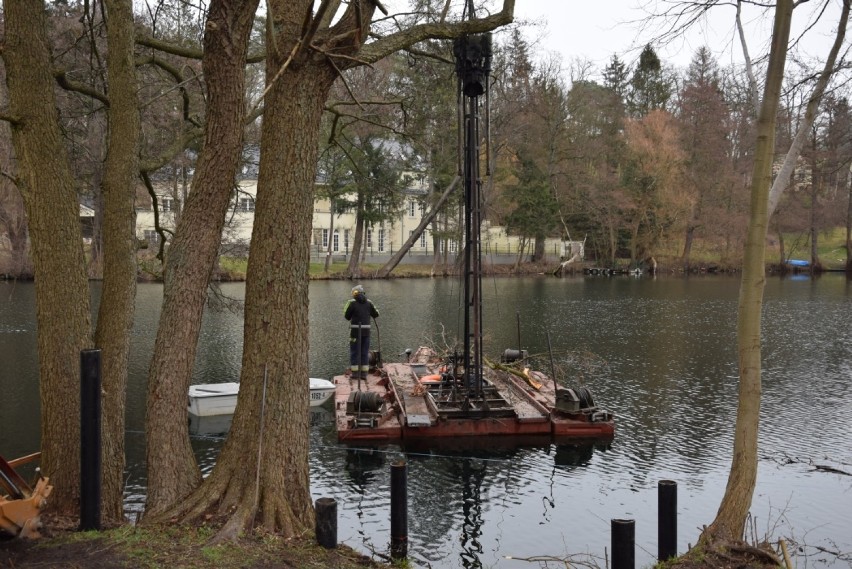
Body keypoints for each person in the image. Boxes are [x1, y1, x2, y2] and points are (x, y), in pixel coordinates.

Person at [344, 284, 379, 379]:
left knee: (354, 352)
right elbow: (376, 314)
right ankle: (364, 374)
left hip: (355, 332)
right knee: (364, 352)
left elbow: (346, 316)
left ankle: (355, 374)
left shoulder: (351, 302)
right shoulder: (369, 302)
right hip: (366, 333)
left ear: (355, 293)